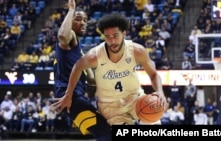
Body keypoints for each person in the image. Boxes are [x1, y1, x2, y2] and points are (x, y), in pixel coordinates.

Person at [52, 12, 167, 125]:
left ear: (124, 33)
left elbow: (154, 75)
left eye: (115, 36)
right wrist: (68, 95)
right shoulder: (94, 56)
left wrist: (160, 92)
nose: (112, 41)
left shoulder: (137, 51)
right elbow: (77, 67)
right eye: (108, 37)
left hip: (135, 98)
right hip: (110, 106)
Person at [52, 0, 112, 141]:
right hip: (69, 98)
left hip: (76, 98)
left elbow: (91, 79)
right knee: (105, 132)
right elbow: (62, 36)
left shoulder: (80, 53)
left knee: (107, 128)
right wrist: (71, 10)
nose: (83, 23)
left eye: (85, 20)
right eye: (78, 19)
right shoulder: (70, 37)